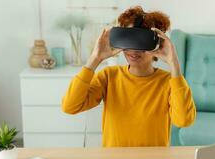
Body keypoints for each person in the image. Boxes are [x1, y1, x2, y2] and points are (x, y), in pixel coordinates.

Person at [62, 6, 196, 147]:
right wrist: (95, 58)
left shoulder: (169, 82)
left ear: (157, 44)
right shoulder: (108, 77)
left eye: (141, 41)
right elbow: (70, 106)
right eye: (129, 40)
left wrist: (173, 62)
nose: (133, 50)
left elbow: (184, 120)